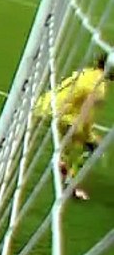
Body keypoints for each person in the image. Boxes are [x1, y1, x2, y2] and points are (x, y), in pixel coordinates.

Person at [33, 53, 113, 200]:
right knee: (93, 146)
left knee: (74, 141)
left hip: (44, 105)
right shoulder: (99, 87)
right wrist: (89, 137)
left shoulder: (87, 72)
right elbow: (87, 114)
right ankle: (70, 182)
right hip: (61, 115)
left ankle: (63, 162)